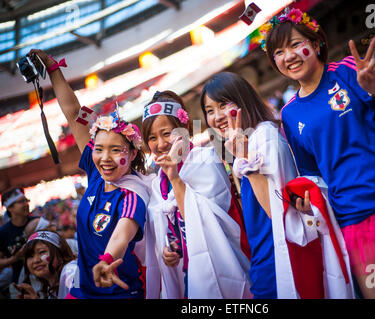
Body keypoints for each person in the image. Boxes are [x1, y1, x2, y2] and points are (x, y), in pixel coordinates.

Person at [262, 5, 375, 298]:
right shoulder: (289, 113)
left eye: (296, 45)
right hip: (356, 221)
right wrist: (305, 201)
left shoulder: (350, 70)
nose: (289, 56)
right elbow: (313, 175)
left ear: (315, 43)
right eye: (279, 52)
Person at [200, 72, 353, 299]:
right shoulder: (246, 141)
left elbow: (277, 212)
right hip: (265, 259)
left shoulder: (264, 138)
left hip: (279, 260)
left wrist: (244, 159)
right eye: (209, 111)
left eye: (223, 105)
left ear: (243, 101)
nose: (217, 117)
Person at [29, 49, 157, 299]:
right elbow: (72, 111)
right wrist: (53, 68)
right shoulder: (97, 176)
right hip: (82, 291)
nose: (105, 158)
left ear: (131, 154)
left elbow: (123, 232)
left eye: (115, 150)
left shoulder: (134, 194)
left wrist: (108, 259)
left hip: (119, 294)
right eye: (99, 149)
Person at [142, 90, 251, 299]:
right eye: (152, 138)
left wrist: (175, 178)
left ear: (183, 128)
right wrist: (170, 247)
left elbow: (203, 220)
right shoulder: (159, 180)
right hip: (191, 269)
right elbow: (172, 226)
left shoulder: (206, 159)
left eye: (166, 133)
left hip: (226, 260)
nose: (161, 143)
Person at [0, 187, 50, 287]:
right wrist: (14, 258)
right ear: (10, 208)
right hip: (20, 282)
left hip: (45, 279)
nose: (26, 204)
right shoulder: (3, 232)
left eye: (26, 201)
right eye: (21, 202)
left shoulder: (38, 223)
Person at [12, 230, 76, 299]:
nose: (36, 260)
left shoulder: (72, 270)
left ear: (60, 254)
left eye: (42, 252)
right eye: (30, 256)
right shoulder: (50, 289)